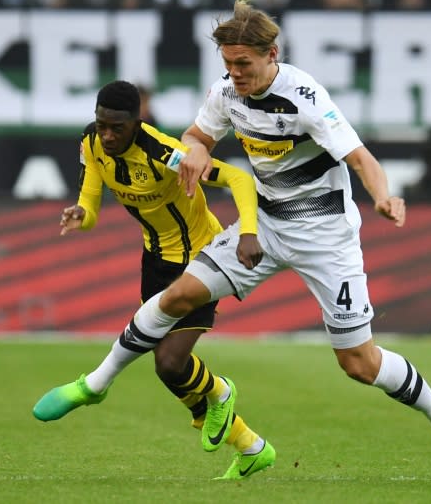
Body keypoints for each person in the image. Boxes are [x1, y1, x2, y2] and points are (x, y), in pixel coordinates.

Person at [35, 0, 431, 482]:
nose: (234, 74)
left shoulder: (305, 99)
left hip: (326, 236)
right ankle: (96, 384)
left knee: (358, 362)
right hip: (268, 224)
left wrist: (383, 198)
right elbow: (197, 135)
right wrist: (195, 152)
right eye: (227, 64)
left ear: (272, 55)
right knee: (179, 294)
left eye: (243, 64)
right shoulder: (226, 93)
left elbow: (360, 159)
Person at [33, 80, 276, 480]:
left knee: (169, 361)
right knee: (170, 371)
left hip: (202, 259)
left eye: (117, 127)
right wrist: (81, 215)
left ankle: (107, 386)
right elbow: (90, 202)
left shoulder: (165, 153)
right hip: (156, 261)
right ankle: (249, 445)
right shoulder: (91, 143)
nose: (107, 135)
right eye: (101, 124)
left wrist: (248, 232)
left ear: (136, 121)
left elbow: (239, 179)